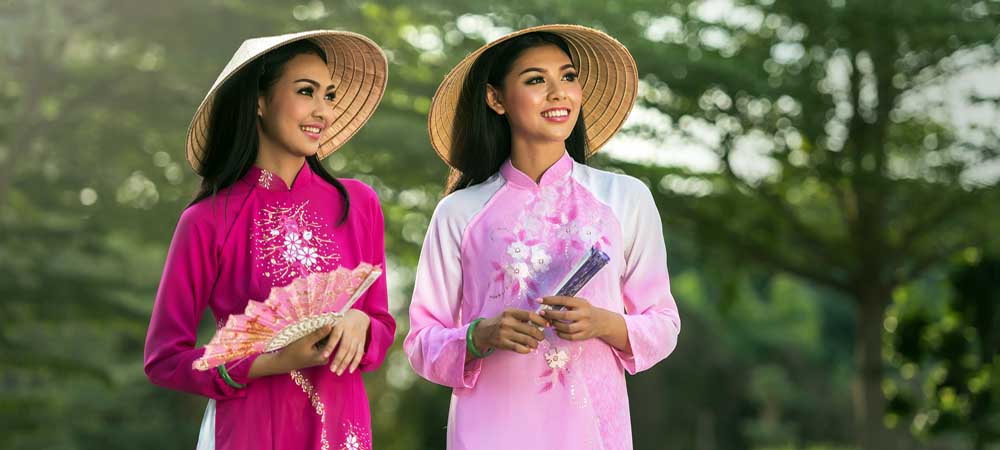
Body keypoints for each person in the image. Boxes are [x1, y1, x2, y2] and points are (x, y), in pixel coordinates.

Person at [405, 24, 682, 450]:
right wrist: (481, 335)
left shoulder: (625, 198)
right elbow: (421, 343)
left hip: (593, 431)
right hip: (488, 431)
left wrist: (604, 322)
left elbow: (663, 325)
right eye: (536, 80)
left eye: (568, 77)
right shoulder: (459, 212)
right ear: (496, 99)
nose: (559, 93)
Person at [143, 30, 394, 450]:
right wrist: (270, 362)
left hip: (342, 426)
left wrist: (361, 323)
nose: (323, 111)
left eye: (328, 95)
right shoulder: (207, 219)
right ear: (258, 101)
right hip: (250, 430)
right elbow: (164, 359)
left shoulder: (358, 204)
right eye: (305, 91)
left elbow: (382, 326)